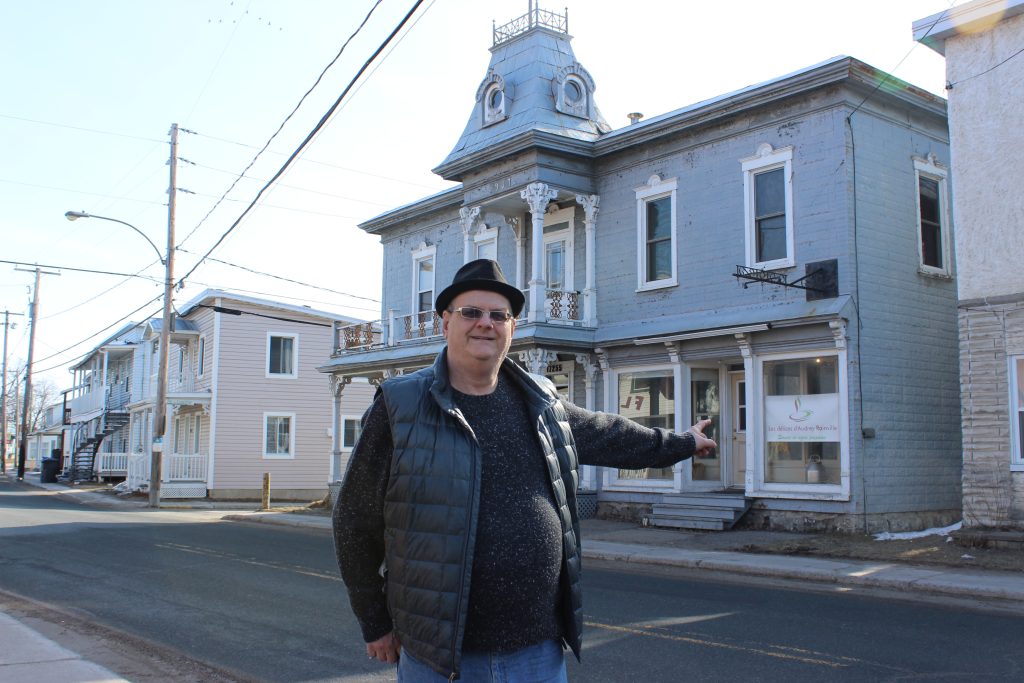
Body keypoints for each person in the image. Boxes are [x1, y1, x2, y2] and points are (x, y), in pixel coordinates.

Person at [333, 259, 716, 682]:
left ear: (512, 328)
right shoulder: (399, 405)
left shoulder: (540, 401)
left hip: (537, 652)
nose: (486, 323)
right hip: (439, 657)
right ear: (445, 323)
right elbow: (354, 520)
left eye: (499, 315)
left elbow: (609, 435)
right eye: (471, 312)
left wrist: (682, 443)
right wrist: (375, 622)